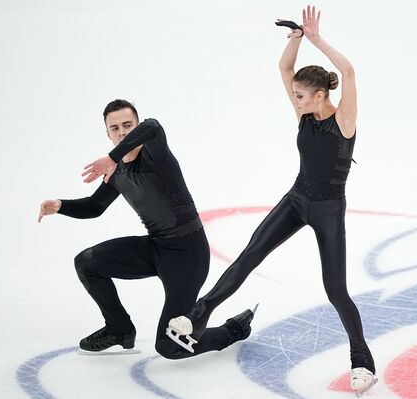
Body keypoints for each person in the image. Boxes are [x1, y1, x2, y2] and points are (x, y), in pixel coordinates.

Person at [166, 5, 377, 394]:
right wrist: (296, 40)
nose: (293, 100)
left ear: (319, 95)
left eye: (300, 96)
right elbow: (284, 70)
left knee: (335, 290)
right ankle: (197, 316)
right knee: (250, 255)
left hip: (329, 209)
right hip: (296, 199)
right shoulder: (305, 116)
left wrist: (316, 40)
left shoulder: (343, 120)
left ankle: (362, 359)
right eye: (294, 96)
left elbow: (347, 72)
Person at [38, 99, 255, 358]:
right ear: (108, 134)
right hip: (156, 247)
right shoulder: (116, 172)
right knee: (87, 263)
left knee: (169, 346)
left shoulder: (155, 154)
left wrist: (111, 157)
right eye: (115, 128)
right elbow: (94, 207)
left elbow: (154, 126)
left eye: (128, 125)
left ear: (136, 126)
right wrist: (60, 206)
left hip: (187, 256)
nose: (122, 132)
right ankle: (119, 329)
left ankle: (232, 330)